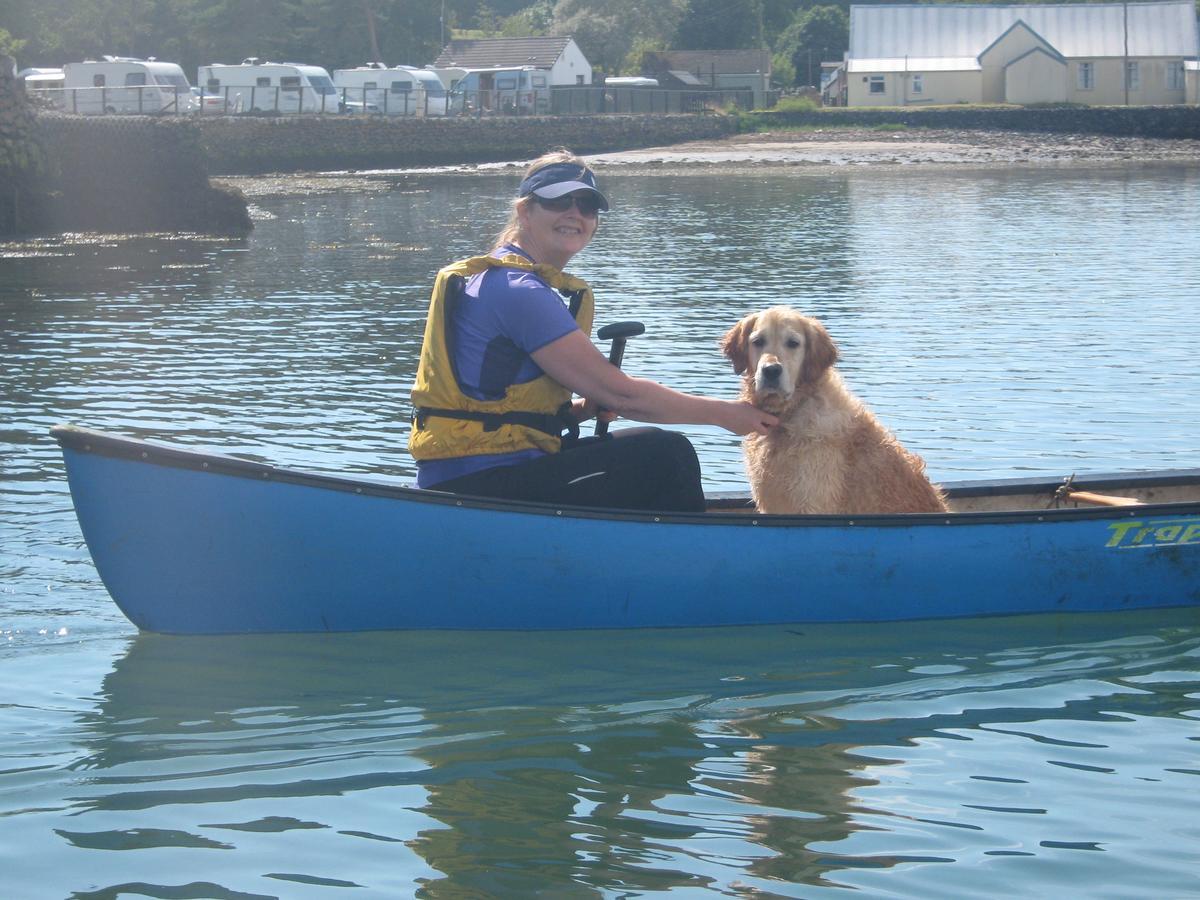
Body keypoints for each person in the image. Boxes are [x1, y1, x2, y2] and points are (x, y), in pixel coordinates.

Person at [408, 148, 777, 512]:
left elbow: (502, 410)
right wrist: (725, 414)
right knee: (664, 455)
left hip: (482, 472)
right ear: (525, 210)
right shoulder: (517, 291)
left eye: (587, 206)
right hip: (478, 483)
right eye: (558, 202)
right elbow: (625, 397)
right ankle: (693, 565)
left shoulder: (505, 280)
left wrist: (582, 410)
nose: (575, 214)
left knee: (647, 445)